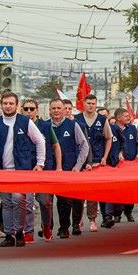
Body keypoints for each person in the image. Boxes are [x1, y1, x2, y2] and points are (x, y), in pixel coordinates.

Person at [0, 91, 46, 247]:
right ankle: (9, 235)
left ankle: (20, 231)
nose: (8, 106)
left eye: (11, 103)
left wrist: (40, 163)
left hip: (21, 170)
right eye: (5, 103)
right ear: (1, 105)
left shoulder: (25, 122)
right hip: (2, 171)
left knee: (18, 200)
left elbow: (40, 141)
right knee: (6, 203)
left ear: (17, 105)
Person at [47, 99, 88, 237]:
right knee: (47, 201)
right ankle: (49, 227)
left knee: (66, 199)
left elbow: (84, 146)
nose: (56, 111)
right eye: (53, 108)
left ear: (64, 110)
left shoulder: (73, 125)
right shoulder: (45, 126)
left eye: (59, 108)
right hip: (49, 169)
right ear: (49, 110)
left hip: (69, 169)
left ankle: (67, 227)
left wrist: (78, 166)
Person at [74, 94, 113, 231]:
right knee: (78, 193)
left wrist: (105, 156)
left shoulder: (102, 120)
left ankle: (92, 219)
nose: (90, 106)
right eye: (88, 103)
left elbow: (108, 138)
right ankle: (78, 219)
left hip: (96, 160)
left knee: (92, 193)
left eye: (93, 103)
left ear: (96, 104)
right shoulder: (76, 119)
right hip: (80, 162)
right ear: (84, 104)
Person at [29, 99, 61, 241]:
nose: (29, 111)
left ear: (36, 110)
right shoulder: (19, 124)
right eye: (26, 109)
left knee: (44, 201)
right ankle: (27, 231)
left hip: (44, 168)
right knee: (25, 202)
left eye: (32, 109)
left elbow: (56, 146)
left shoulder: (46, 126)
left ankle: (46, 225)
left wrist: (58, 167)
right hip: (25, 167)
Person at [106, 107, 138, 224]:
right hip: (115, 165)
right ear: (118, 118)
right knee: (116, 190)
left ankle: (129, 212)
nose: (128, 118)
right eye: (125, 116)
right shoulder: (112, 129)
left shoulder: (132, 128)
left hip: (131, 165)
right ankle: (116, 214)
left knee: (130, 190)